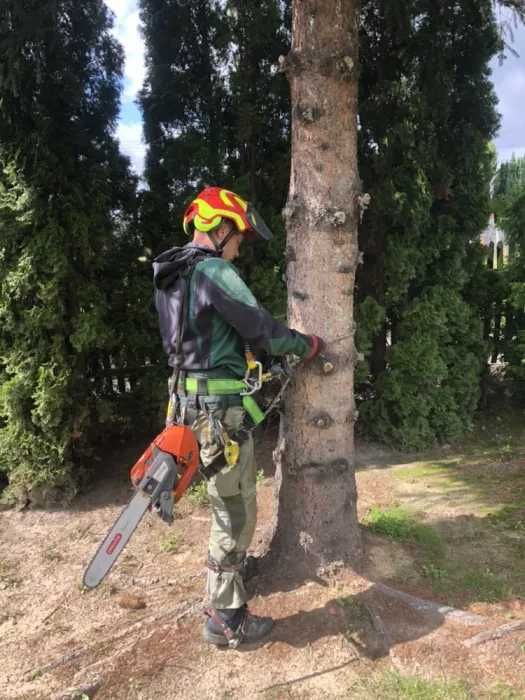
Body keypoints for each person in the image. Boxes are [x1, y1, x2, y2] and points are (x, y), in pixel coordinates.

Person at [153, 186, 322, 647]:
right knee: (235, 509)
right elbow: (260, 327)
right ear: (220, 226)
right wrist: (305, 345)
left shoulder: (174, 276)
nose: (240, 245)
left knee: (226, 503)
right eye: (239, 235)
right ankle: (226, 618)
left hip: (189, 403)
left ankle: (227, 583)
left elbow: (212, 338)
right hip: (218, 412)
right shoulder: (213, 271)